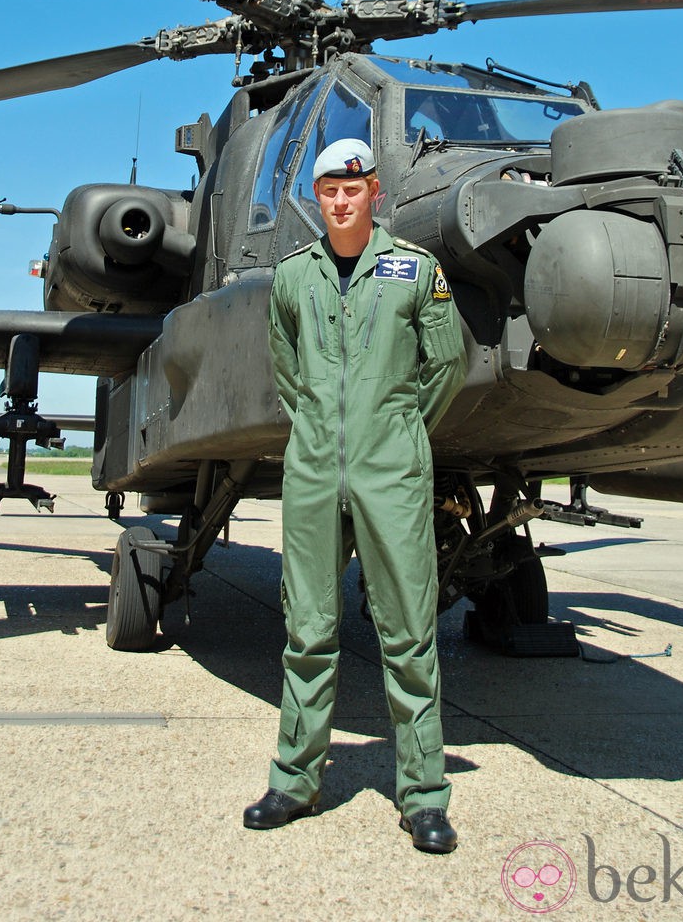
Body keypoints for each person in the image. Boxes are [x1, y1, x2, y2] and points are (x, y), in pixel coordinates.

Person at [243, 137, 468, 854]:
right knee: (307, 631)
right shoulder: (291, 279)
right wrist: (321, 429)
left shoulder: (415, 270)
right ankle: (295, 781)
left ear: (374, 191)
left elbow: (448, 363)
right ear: (318, 198)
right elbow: (286, 366)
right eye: (329, 191)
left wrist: (397, 430)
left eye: (354, 188)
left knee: (407, 636)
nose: (341, 201)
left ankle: (424, 796)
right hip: (312, 470)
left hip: (390, 472)